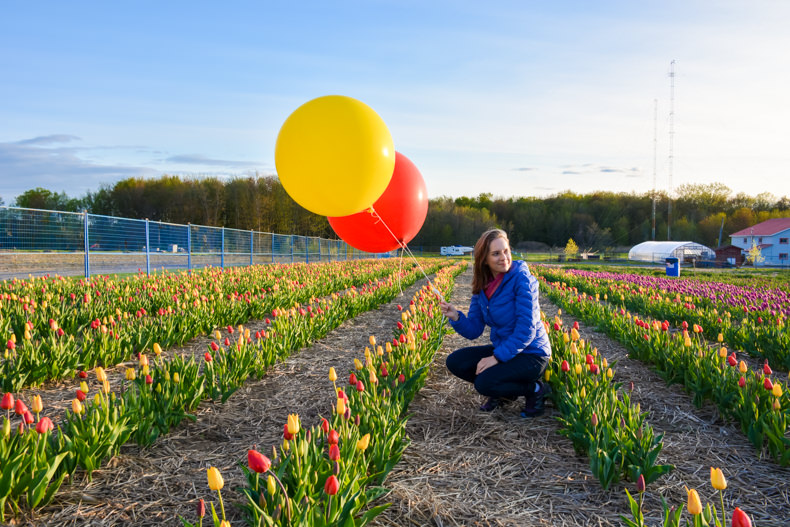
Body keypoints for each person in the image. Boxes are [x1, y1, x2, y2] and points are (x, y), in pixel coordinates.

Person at [439, 229, 552, 417]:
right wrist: (456, 317)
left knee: (484, 383)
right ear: (484, 259)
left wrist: (496, 358)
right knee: (456, 362)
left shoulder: (523, 281)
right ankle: (504, 393)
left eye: (506, 251)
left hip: (532, 354)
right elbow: (474, 329)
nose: (504, 257)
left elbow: (526, 331)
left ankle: (535, 389)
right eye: (496, 253)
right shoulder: (482, 286)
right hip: (506, 350)